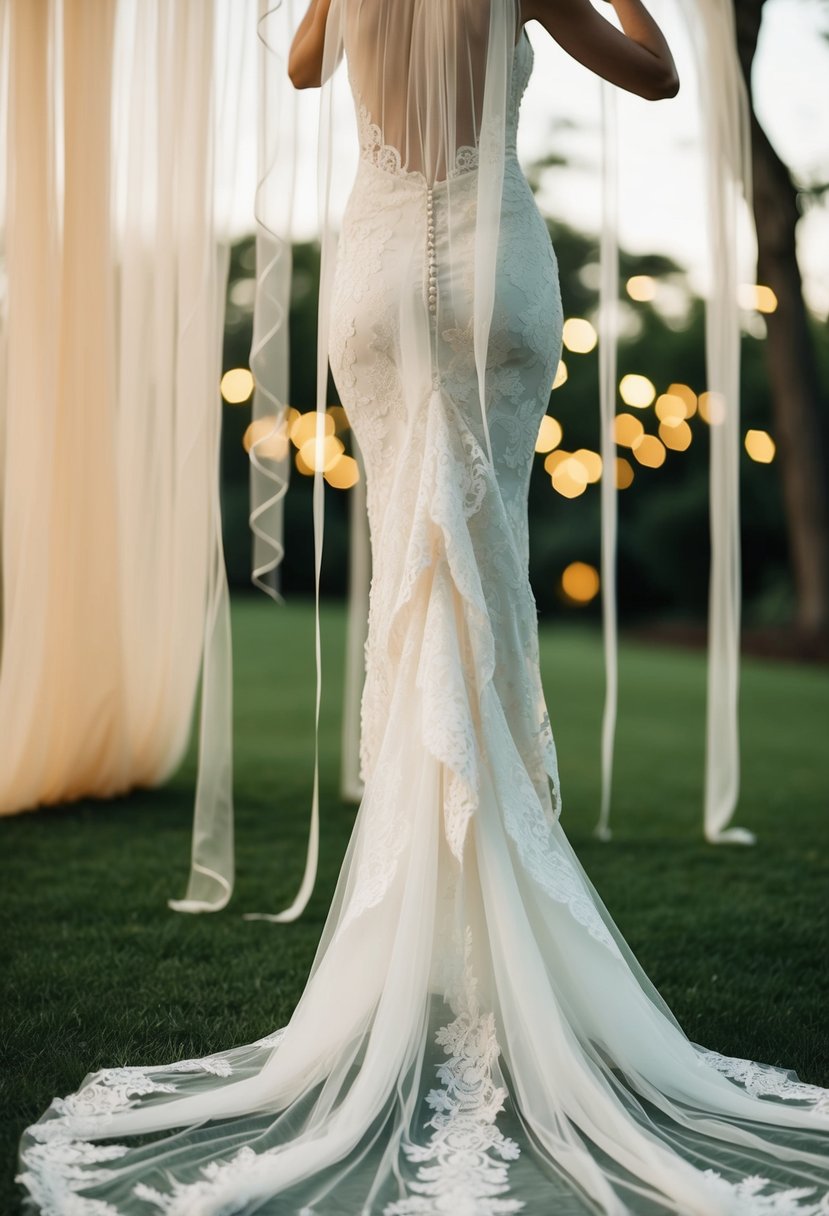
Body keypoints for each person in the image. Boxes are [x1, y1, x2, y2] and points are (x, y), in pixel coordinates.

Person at [17, 2, 829, 1212]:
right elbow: (653, 75)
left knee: (416, 590)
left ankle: (428, 939)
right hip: (488, 269)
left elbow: (301, 67)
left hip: (377, 275)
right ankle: (488, 940)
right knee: (480, 593)